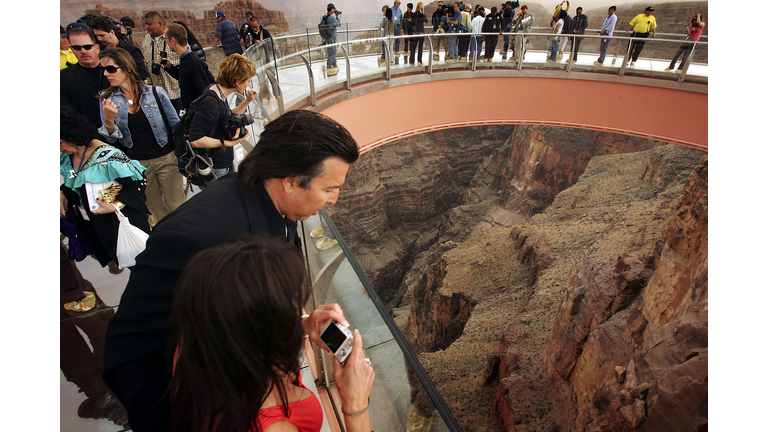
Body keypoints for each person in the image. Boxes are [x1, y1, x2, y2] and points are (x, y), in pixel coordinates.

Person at [102, 109, 360, 432]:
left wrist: (298, 326)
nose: (335, 199)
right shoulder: (195, 242)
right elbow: (129, 354)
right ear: (291, 180)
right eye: (329, 189)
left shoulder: (273, 205)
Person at [169, 233, 375, 432]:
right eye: (292, 306)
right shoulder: (273, 427)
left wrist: (301, 327)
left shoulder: (196, 345)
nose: (299, 312)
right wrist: (355, 406)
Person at [96, 47, 184, 224]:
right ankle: (173, 242)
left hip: (166, 158)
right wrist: (109, 121)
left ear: (127, 67)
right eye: (103, 69)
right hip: (138, 165)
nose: (106, 73)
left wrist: (179, 153)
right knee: (155, 208)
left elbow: (176, 125)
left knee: (178, 205)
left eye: (111, 69)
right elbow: (113, 139)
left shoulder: (155, 93)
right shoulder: (107, 100)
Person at [59, 105, 150, 273]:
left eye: (59, 141)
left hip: (118, 223)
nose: (59, 148)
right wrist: (63, 191)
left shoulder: (108, 156)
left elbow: (137, 184)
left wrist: (116, 204)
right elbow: (75, 180)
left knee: (141, 269)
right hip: (94, 224)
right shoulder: (68, 156)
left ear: (71, 134)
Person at [184, 54, 258, 183]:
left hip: (221, 161)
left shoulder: (217, 93)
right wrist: (225, 142)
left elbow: (227, 116)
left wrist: (247, 101)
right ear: (237, 82)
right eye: (247, 81)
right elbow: (195, 139)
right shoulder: (211, 103)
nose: (248, 84)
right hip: (215, 165)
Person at [163, 23, 216, 109]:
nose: (166, 42)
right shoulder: (185, 59)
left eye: (166, 39)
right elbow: (185, 79)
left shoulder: (193, 62)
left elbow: (204, 91)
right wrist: (169, 67)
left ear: (173, 40)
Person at [142, 12, 182, 112]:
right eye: (145, 24)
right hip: (156, 92)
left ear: (160, 24)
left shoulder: (173, 38)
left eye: (149, 24)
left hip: (174, 92)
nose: (147, 27)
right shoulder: (146, 40)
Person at [89, 16, 149, 80]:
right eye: (96, 36)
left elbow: (142, 75)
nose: (99, 39)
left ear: (112, 32)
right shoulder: (97, 51)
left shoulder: (131, 51)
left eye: (102, 35)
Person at [324, 4, 342, 76]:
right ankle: (329, 66)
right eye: (334, 9)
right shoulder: (331, 18)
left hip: (327, 37)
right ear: (331, 9)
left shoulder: (324, 17)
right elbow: (339, 24)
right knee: (332, 52)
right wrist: (337, 16)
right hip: (332, 38)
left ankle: (334, 64)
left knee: (331, 52)